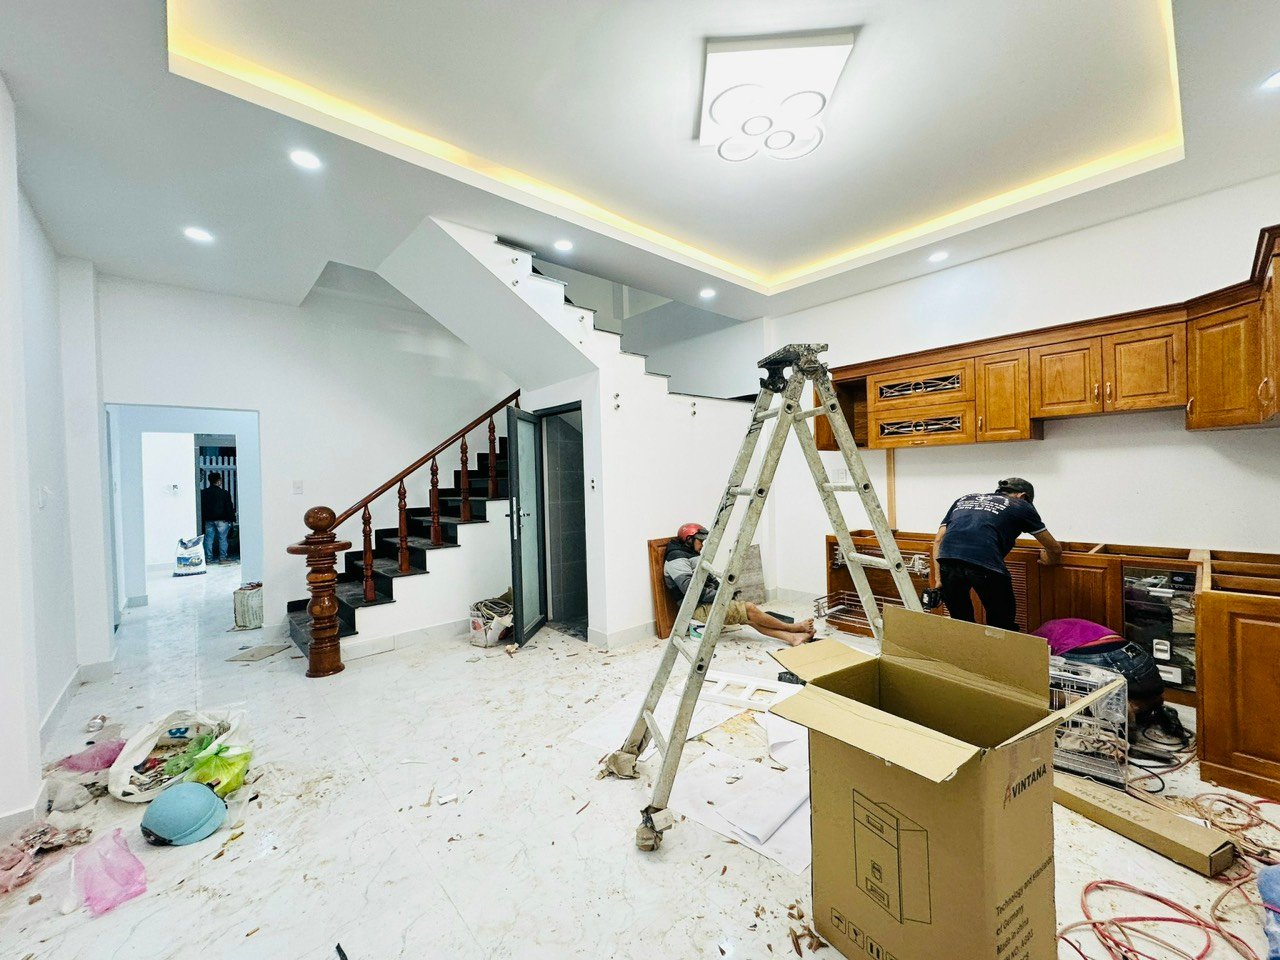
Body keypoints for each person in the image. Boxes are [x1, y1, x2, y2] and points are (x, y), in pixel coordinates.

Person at [929, 477, 1061, 631]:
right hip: (985, 563)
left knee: (961, 621)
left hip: (948, 560)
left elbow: (938, 540)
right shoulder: (1021, 505)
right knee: (1001, 623)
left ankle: (967, 646)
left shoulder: (964, 499)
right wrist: (1050, 559)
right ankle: (998, 645)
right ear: (1023, 496)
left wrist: (939, 579)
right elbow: (1054, 548)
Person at [663, 523, 815, 646]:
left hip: (705, 602)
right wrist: (722, 595)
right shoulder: (676, 559)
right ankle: (793, 628)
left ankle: (793, 638)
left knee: (749, 618)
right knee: (749, 609)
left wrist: (724, 590)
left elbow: (710, 578)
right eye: (700, 541)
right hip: (695, 608)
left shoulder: (690, 554)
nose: (702, 545)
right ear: (689, 540)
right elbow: (690, 591)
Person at [200, 473, 236, 564]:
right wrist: (232, 519)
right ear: (219, 481)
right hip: (222, 519)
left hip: (208, 519)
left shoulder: (204, 493)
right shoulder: (224, 493)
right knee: (223, 539)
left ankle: (208, 559)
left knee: (208, 539)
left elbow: (202, 507)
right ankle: (222, 558)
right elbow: (229, 507)